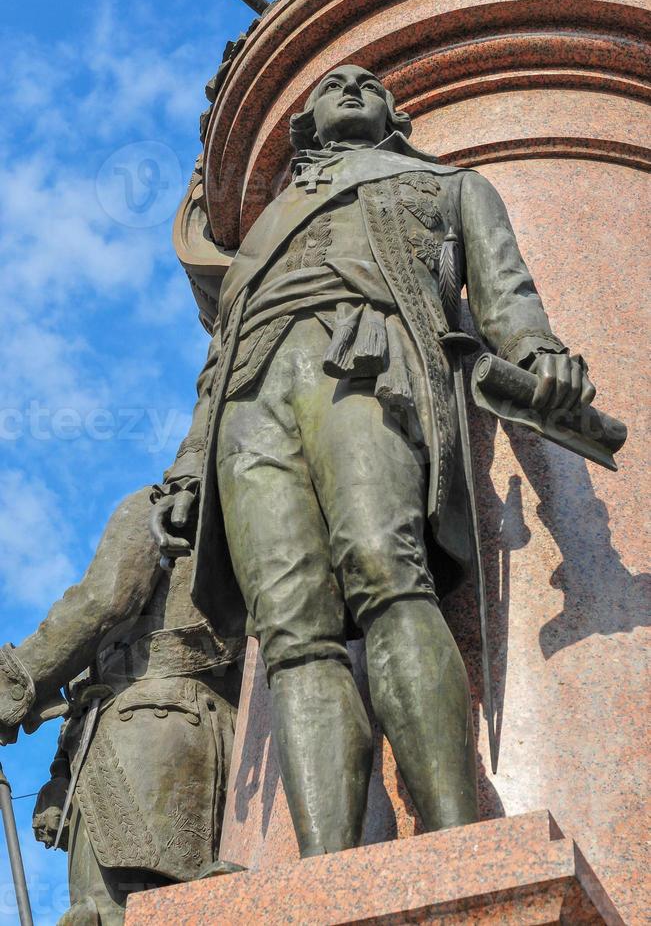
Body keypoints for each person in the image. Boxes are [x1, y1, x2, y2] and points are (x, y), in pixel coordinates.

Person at [150, 65, 595, 857]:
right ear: (307, 125)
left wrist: (539, 351)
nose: (349, 86)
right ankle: (323, 870)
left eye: (366, 82)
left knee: (386, 571)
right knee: (289, 627)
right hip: (250, 402)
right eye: (331, 85)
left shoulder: (448, 185)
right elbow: (216, 365)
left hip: (365, 362)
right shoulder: (266, 226)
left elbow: (505, 291)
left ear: (395, 112)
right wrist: (190, 466)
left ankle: (456, 834)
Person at [0, 488, 242, 924]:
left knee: (109, 916)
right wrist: (60, 773)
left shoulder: (160, 504)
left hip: (146, 739)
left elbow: (99, 604)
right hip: (174, 736)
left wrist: (6, 688)